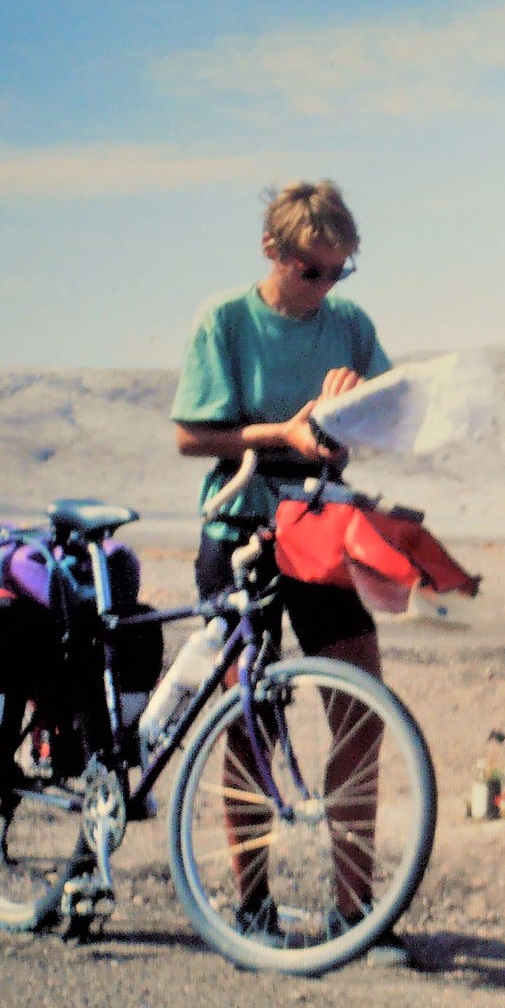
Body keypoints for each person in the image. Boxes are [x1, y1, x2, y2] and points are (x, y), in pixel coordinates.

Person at [170, 178, 406, 965]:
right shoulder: (226, 322)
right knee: (248, 718)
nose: (325, 288)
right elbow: (192, 435)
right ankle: (252, 905)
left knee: (363, 707)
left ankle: (356, 912)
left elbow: (390, 413)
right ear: (273, 251)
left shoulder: (349, 325)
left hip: (317, 529)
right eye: (313, 271)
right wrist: (288, 430)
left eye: (339, 273)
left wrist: (354, 406)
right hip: (241, 527)